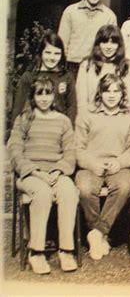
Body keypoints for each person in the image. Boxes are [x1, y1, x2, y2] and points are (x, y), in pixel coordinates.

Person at [8, 76, 78, 274]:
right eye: (40, 94)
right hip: (31, 175)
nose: (44, 98)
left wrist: (57, 171)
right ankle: (36, 252)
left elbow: (70, 152)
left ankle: (66, 250)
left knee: (68, 191)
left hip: (56, 173)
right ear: (33, 97)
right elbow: (14, 150)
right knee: (43, 193)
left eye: (48, 93)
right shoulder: (24, 119)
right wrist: (36, 172)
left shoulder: (63, 121)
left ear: (54, 96)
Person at [75, 74, 130, 261]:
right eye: (107, 90)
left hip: (119, 166)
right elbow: (78, 148)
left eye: (116, 91)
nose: (111, 95)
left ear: (122, 94)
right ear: (100, 93)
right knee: (84, 189)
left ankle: (96, 232)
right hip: (91, 166)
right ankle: (100, 233)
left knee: (124, 186)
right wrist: (92, 163)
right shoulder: (86, 114)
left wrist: (120, 162)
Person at [58, 0, 117, 76]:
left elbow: (112, 43)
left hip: (98, 64)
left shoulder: (109, 16)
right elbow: (62, 41)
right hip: (72, 65)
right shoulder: (70, 11)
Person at [11, 30, 77, 125]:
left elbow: (72, 107)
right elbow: (18, 107)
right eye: (48, 52)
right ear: (41, 53)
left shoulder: (66, 76)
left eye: (57, 54)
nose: (52, 57)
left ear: (62, 55)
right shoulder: (29, 76)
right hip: (34, 127)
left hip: (58, 127)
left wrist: (68, 130)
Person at [76, 25, 130, 114]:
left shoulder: (126, 66)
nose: (109, 47)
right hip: (92, 117)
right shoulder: (87, 65)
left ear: (119, 45)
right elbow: (81, 102)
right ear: (98, 44)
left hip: (119, 118)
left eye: (113, 43)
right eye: (104, 42)